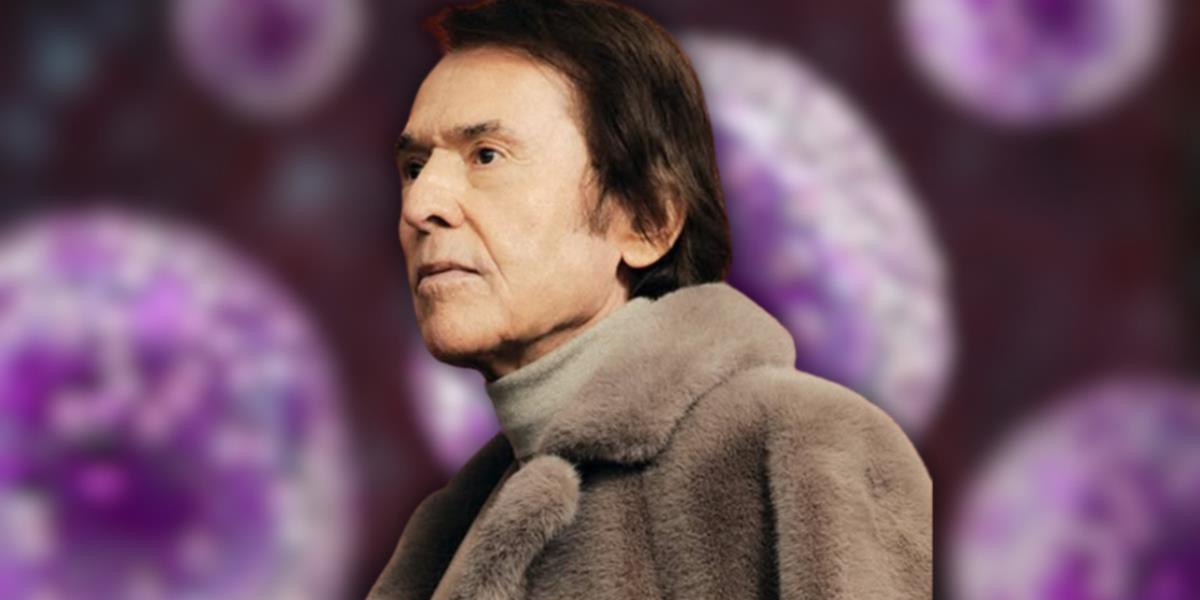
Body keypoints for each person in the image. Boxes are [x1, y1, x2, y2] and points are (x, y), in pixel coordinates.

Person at [368, 0, 932, 598]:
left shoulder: (805, 444)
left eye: (486, 155)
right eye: (414, 167)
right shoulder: (444, 536)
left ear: (647, 221)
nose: (419, 205)